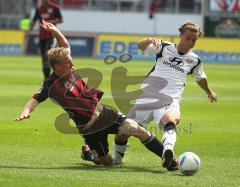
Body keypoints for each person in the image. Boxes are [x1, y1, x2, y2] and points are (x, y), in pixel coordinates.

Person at [16, 20, 167, 166]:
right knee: (107, 160)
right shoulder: (50, 85)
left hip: (103, 113)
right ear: (56, 67)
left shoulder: (70, 70)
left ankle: (169, 159)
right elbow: (34, 100)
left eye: (71, 60)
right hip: (89, 128)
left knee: (137, 129)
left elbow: (65, 45)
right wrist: (25, 111)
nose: (73, 64)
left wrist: (55, 31)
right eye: (68, 62)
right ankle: (89, 153)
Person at [113, 21, 218, 170]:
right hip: (147, 97)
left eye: (194, 40)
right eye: (188, 38)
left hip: (169, 100)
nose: (191, 42)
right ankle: (117, 159)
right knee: (124, 131)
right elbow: (140, 45)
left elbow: (200, 78)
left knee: (170, 120)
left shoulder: (194, 60)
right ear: (181, 35)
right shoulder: (164, 47)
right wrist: (150, 40)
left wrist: (208, 91)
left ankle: (167, 150)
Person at [29, 0, 63, 79]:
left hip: (52, 35)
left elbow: (61, 19)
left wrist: (52, 21)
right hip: (42, 37)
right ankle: (47, 79)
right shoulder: (39, 9)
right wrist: (29, 31)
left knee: (47, 54)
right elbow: (34, 20)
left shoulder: (55, 8)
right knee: (44, 58)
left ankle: (57, 75)